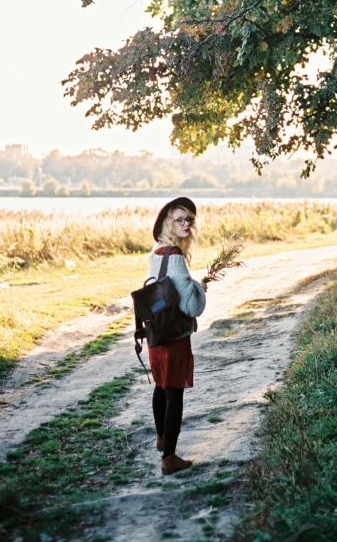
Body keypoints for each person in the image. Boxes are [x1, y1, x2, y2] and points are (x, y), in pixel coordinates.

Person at [147, 197, 207, 476]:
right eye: (179, 219)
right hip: (175, 336)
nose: (185, 224)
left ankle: (162, 438)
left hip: (156, 332)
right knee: (175, 394)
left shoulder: (156, 252)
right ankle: (169, 458)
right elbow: (191, 306)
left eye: (189, 220)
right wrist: (200, 287)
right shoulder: (175, 256)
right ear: (168, 222)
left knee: (161, 386)